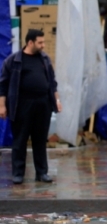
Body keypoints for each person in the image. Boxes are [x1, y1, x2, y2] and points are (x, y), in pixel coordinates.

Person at [0, 29, 61, 184]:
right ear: (30, 42)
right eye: (40, 42)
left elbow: (52, 83)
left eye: (43, 42)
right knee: (20, 139)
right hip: (22, 104)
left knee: (40, 140)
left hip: (42, 104)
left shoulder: (45, 59)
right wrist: (2, 106)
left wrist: (57, 100)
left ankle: (41, 172)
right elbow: (3, 85)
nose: (43, 45)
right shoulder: (13, 61)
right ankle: (18, 173)